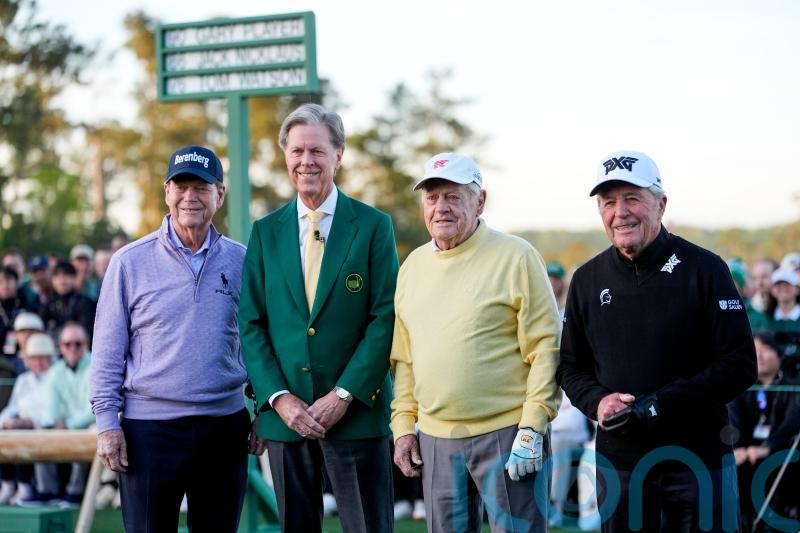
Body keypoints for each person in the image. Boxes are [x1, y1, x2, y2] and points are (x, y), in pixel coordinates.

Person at [556, 150, 757, 532]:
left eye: (632, 198)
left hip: (699, 463)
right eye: (608, 202)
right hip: (620, 466)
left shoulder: (705, 268)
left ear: (661, 204)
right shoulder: (586, 279)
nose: (620, 213)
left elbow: (740, 365)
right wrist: (598, 402)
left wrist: (659, 405)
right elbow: (570, 367)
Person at [239, 103, 398, 533]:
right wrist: (279, 399)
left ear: (338, 155)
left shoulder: (373, 226)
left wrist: (343, 395)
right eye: (297, 151)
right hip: (286, 420)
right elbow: (250, 324)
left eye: (317, 151)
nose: (306, 161)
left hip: (357, 415)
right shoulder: (265, 232)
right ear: (285, 156)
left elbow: (385, 319)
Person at [90, 145, 265, 533]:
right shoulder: (129, 262)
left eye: (201, 188)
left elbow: (258, 342)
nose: (190, 197)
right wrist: (107, 424)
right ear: (167, 191)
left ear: (220, 195)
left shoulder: (243, 260)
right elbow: (106, 351)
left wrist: (264, 408)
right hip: (149, 431)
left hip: (224, 427)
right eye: (181, 186)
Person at [391, 153, 561, 533]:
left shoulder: (517, 256)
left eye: (453, 196)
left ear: (480, 201)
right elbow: (404, 359)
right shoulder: (412, 267)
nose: (441, 207)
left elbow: (546, 349)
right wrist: (403, 427)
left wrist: (533, 426)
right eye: (432, 197)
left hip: (509, 433)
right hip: (436, 439)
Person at [728, 332, 800, 531]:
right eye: (754, 350)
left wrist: (767, 447)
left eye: (765, 350)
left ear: (778, 353)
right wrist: (737, 448)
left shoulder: (793, 384)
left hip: (781, 450)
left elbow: (792, 424)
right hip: (748, 451)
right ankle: (741, 519)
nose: (758, 356)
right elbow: (733, 421)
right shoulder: (744, 386)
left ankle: (773, 521)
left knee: (779, 466)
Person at [0, 333, 60, 505]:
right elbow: (12, 407)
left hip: (44, 427)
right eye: (34, 358)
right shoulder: (23, 380)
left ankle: (25, 485)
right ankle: (8, 484)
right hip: (21, 427)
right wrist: (5, 421)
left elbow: (53, 413)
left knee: (21, 434)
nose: (38, 362)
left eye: (43, 358)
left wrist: (29, 422)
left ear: (50, 358)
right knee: (5, 433)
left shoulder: (56, 377)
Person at [41, 322, 95, 507]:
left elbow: (95, 410)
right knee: (43, 432)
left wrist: (69, 424)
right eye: (67, 344)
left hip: (88, 425)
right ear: (61, 347)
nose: (72, 348)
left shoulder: (96, 366)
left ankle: (75, 492)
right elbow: (51, 409)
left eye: (78, 343)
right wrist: (57, 423)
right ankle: (48, 491)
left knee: (86, 432)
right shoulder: (55, 372)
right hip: (67, 425)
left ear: (86, 345)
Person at [40, 261, 96, 344]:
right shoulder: (49, 304)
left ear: (74, 278)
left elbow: (86, 332)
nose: (62, 281)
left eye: (66, 275)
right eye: (57, 276)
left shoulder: (85, 303)